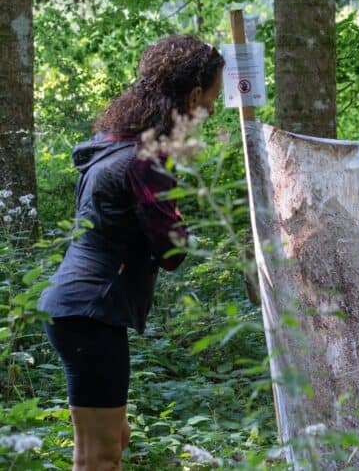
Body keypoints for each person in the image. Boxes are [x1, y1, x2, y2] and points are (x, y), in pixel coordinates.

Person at [37, 35, 223, 470]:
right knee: (98, 457)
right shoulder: (145, 160)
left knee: (113, 439)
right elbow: (172, 251)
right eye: (212, 99)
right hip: (92, 311)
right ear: (193, 95)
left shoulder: (111, 145)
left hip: (76, 307)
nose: (212, 110)